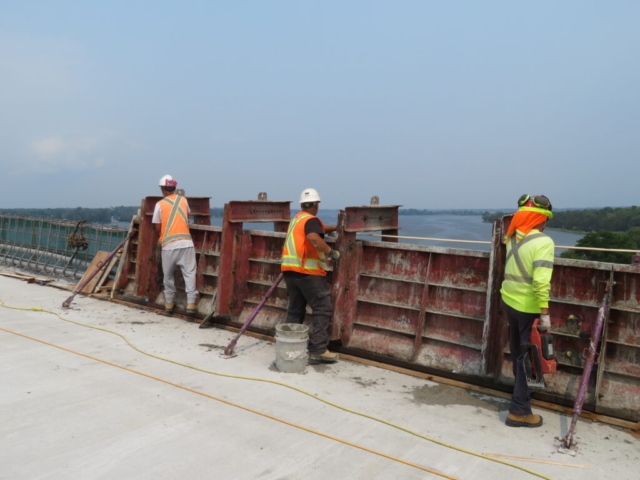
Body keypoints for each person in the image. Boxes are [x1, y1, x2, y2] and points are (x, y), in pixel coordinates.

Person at [501, 194, 555, 428]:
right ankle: (519, 412)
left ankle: (519, 399)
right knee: (528, 360)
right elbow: (541, 282)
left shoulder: (512, 237)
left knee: (518, 354)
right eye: (545, 220)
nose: (545, 224)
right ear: (539, 220)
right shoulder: (543, 242)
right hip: (528, 308)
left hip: (510, 303)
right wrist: (544, 313)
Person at [281, 188, 340, 364]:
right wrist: (331, 252)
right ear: (316, 205)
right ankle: (319, 349)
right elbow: (314, 237)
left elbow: (319, 229)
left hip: (290, 271)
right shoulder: (311, 221)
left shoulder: (297, 219)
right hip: (307, 272)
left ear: (302, 204)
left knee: (295, 309)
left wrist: (335, 228)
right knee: (322, 307)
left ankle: (291, 345)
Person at [152, 175, 198, 315]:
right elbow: (186, 218)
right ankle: (191, 304)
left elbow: (157, 227)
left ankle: (169, 303)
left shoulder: (159, 204)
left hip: (169, 244)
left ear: (162, 190)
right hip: (186, 242)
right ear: (174, 188)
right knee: (189, 273)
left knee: (168, 275)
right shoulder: (183, 200)